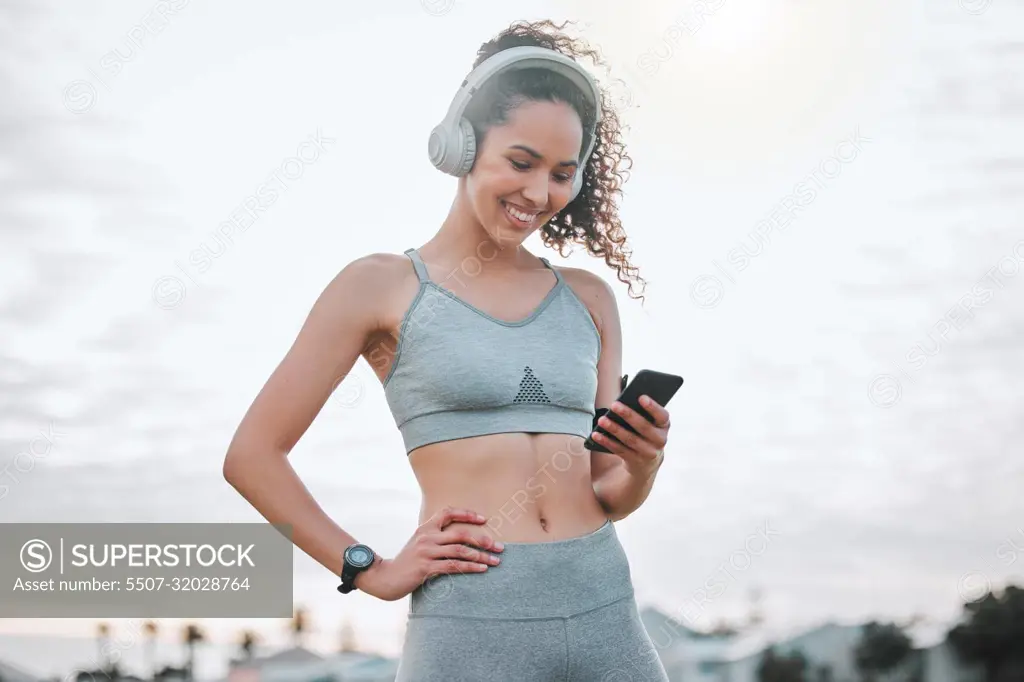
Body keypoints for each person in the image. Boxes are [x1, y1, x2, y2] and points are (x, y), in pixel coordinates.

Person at [223, 19, 673, 681]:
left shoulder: (590, 299)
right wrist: (368, 570)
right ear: (461, 144)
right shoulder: (378, 286)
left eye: (561, 174)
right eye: (520, 163)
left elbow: (607, 489)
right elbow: (252, 457)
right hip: (472, 624)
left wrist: (643, 465)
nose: (539, 194)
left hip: (606, 606)